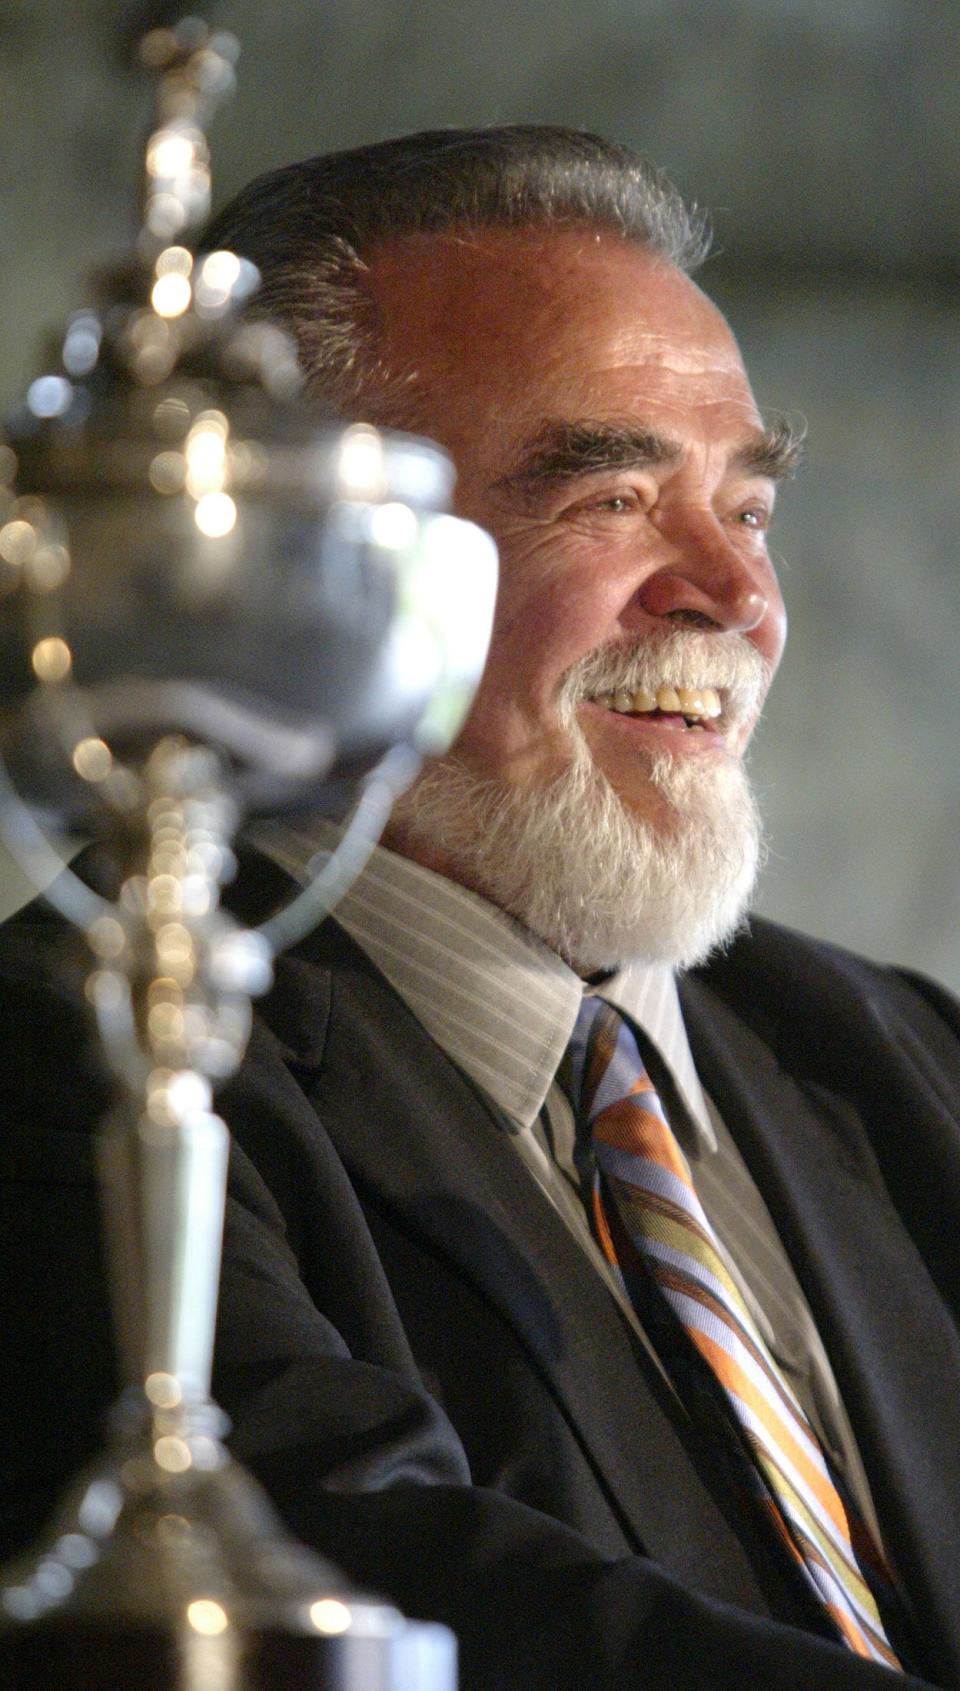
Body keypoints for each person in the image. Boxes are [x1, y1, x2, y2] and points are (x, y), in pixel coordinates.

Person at [3, 127, 960, 1689]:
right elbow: (338, 1570)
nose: (736, 595)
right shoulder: (86, 1058)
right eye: (611, 499)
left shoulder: (901, 1057)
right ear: (320, 567)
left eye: (750, 507)